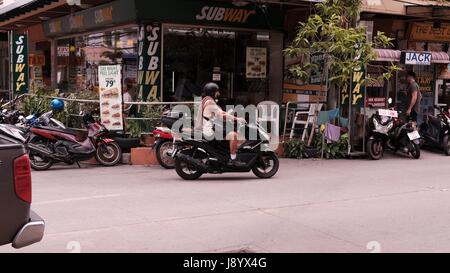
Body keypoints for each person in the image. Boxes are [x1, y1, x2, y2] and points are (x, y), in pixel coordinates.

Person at [195, 82, 246, 166]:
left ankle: (225, 154)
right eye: (216, 91)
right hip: (209, 130)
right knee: (233, 135)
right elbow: (222, 114)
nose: (218, 94)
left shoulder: (206, 100)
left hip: (208, 128)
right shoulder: (210, 102)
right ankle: (233, 159)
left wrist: (231, 117)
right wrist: (237, 119)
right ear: (212, 92)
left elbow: (219, 113)